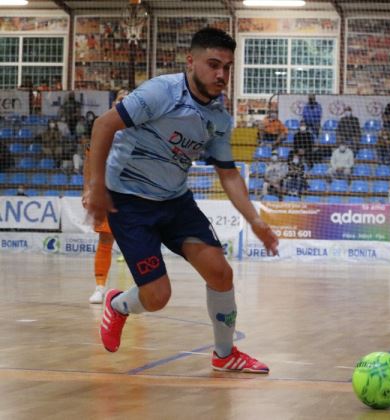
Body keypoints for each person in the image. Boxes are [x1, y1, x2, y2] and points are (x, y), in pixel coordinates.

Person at [84, 28, 278, 373]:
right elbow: (103, 126)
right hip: (128, 201)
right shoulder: (162, 92)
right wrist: (95, 185)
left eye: (227, 67)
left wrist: (256, 220)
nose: (221, 75)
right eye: (213, 64)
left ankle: (224, 354)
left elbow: (229, 174)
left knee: (221, 273)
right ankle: (118, 305)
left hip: (175, 200)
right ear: (191, 61)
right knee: (157, 297)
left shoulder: (218, 119)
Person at [85, 88, 129, 304]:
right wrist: (88, 189)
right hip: (108, 193)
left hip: (133, 194)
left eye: (128, 100)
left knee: (137, 240)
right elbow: (89, 159)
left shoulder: (141, 131)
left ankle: (141, 287)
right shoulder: (103, 128)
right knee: (105, 238)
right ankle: (100, 287)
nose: (124, 103)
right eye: (121, 99)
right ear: (113, 104)